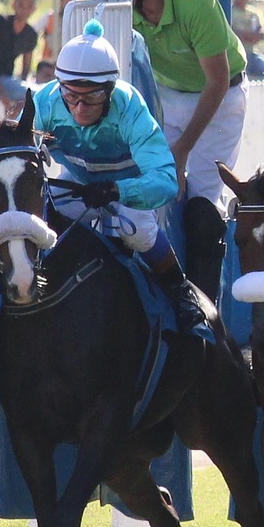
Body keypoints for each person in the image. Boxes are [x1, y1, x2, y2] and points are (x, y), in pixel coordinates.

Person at [94, 0, 245, 306]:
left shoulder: (196, 1)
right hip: (167, 93)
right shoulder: (120, 10)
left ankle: (202, 311)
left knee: (200, 204)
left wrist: (179, 153)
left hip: (220, 98)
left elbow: (216, 82)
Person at [29, 22, 206, 331]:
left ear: (110, 90)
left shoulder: (130, 108)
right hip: (76, 182)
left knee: (136, 228)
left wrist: (117, 190)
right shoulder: (43, 102)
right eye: (71, 96)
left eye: (93, 96)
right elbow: (18, 156)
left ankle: (179, 290)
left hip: (127, 185)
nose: (81, 108)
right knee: (37, 218)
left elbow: (166, 181)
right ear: (59, 87)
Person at [0, 0, 41, 110]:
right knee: (35, 95)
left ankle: (13, 123)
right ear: (13, 5)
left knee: (35, 95)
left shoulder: (30, 34)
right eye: (21, 5)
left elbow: (26, 67)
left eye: (29, 7)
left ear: (34, 9)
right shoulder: (0, 23)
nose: (24, 10)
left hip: (8, 79)